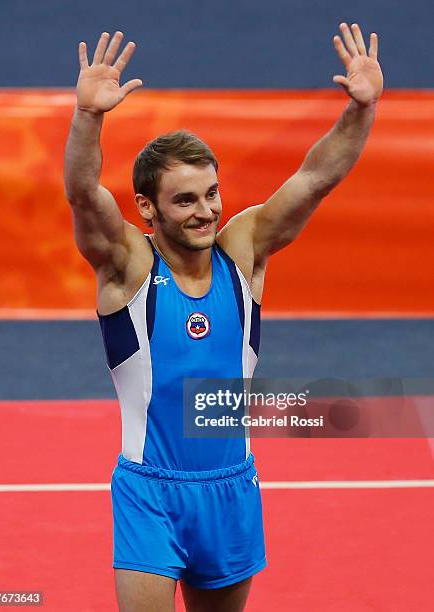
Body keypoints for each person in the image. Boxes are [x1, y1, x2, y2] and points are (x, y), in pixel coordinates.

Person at [64, 23, 383, 612]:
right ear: (147, 208)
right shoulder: (127, 267)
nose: (206, 210)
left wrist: (362, 109)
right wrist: (88, 116)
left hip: (232, 490)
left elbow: (315, 179)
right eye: (185, 199)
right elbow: (84, 195)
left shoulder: (243, 252)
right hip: (149, 494)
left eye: (212, 193)